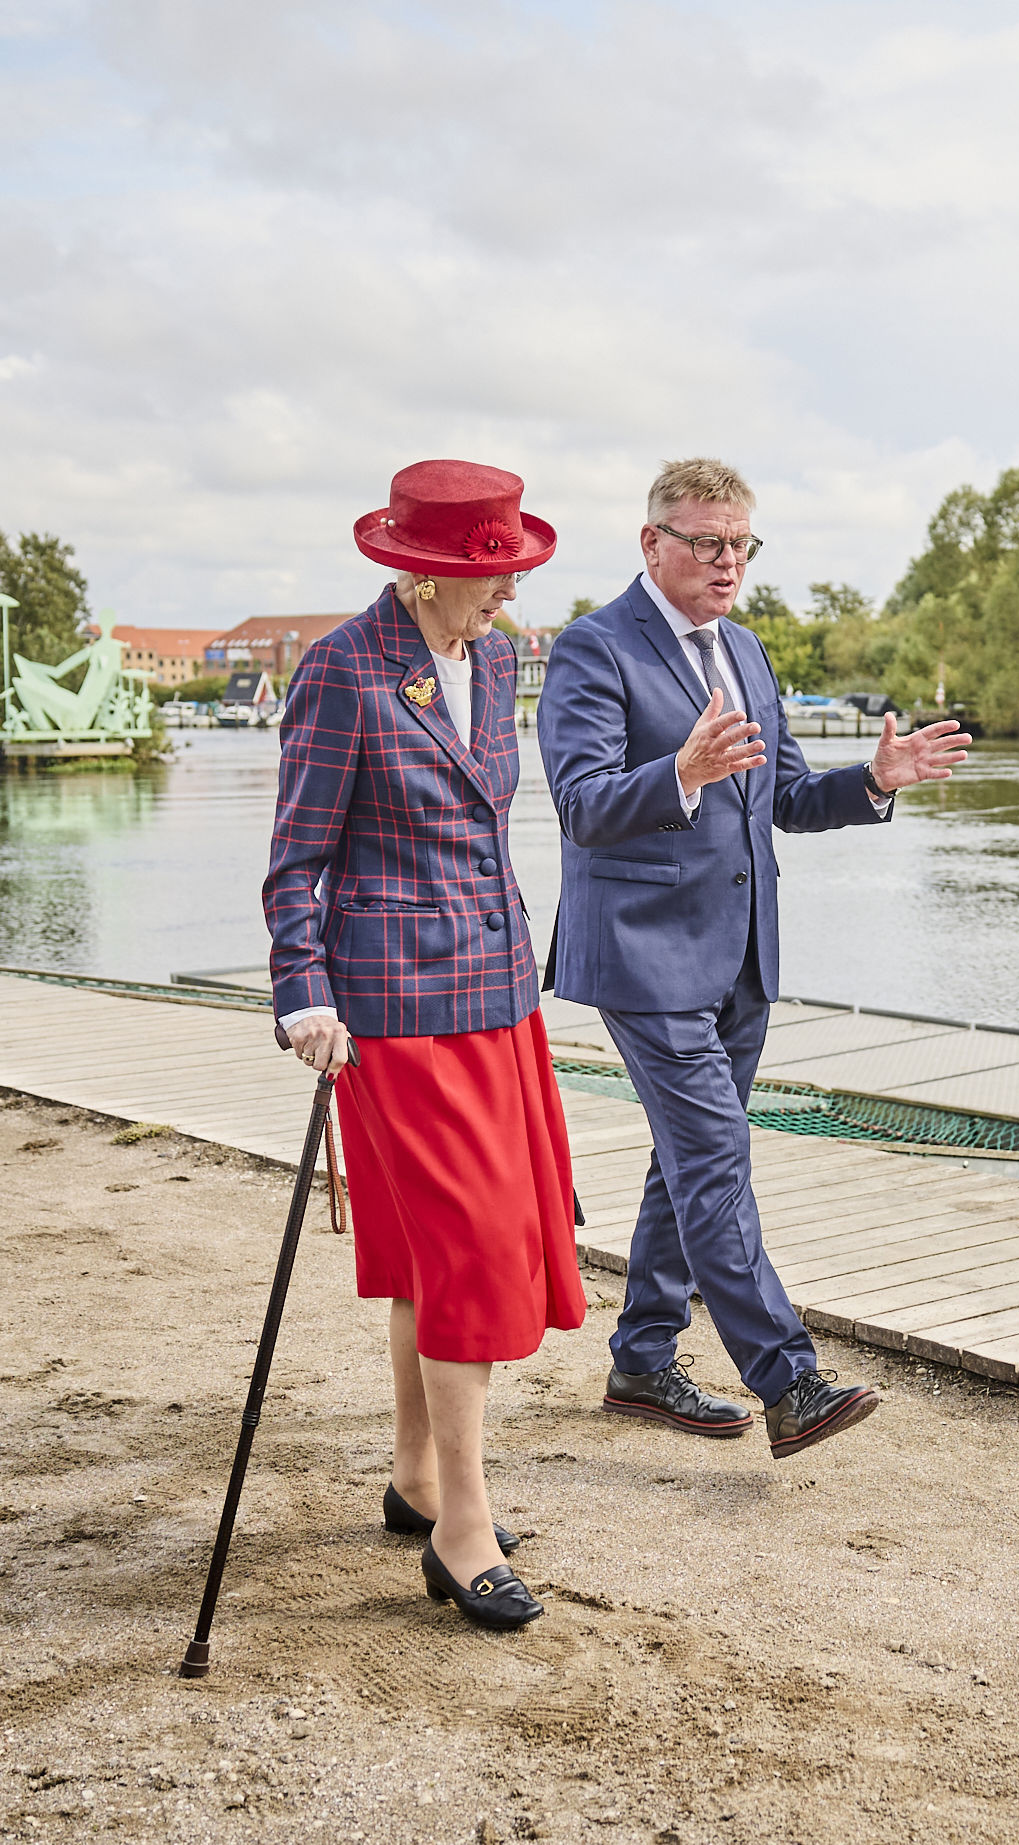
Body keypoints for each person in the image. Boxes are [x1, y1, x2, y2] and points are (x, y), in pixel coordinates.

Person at [537, 458, 968, 1460]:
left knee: (687, 1160)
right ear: (653, 543)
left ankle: (643, 1360)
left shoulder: (745, 649)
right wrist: (680, 771)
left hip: (740, 957)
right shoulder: (595, 649)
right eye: (706, 543)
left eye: (741, 544)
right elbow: (582, 805)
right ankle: (788, 1379)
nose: (728, 562)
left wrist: (872, 780)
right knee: (714, 1157)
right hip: (642, 953)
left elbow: (785, 801)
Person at [265, 459, 582, 1631]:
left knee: (425, 1252)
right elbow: (295, 862)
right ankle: (462, 1530)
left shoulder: (493, 659)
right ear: (422, 571)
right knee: (470, 1254)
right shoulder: (342, 671)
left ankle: (417, 1480)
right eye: (487, 573)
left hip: (498, 993)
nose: (507, 593)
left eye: (511, 571)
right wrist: (302, 993)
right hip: (391, 1011)